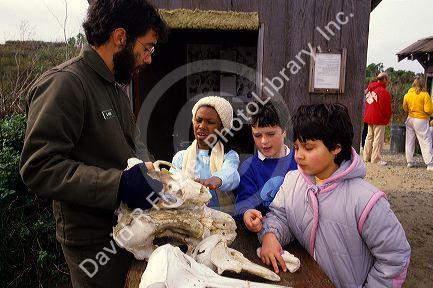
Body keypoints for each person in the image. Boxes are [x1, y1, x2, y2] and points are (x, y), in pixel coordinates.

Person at [19, 1, 168, 287]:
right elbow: (38, 167)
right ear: (121, 37)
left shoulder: (114, 88)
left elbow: (127, 150)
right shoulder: (65, 84)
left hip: (128, 231)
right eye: (147, 47)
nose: (148, 58)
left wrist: (149, 172)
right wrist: (118, 185)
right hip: (94, 245)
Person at [258, 103, 411, 287]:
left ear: (336, 148)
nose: (298, 156)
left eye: (308, 148)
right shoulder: (293, 181)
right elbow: (280, 216)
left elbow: (395, 258)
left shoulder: (367, 201)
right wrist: (270, 235)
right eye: (297, 147)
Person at [234, 102, 297, 232]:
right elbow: (244, 201)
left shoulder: (300, 160)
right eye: (257, 135)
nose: (263, 141)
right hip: (266, 233)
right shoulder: (249, 167)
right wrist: (247, 214)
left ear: (284, 131)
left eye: (270, 134)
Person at [171, 96, 240, 210]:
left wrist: (215, 180)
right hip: (189, 219)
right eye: (198, 120)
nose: (202, 126)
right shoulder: (181, 157)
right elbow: (170, 187)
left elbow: (232, 174)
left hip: (220, 221)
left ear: (222, 128)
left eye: (210, 122)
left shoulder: (229, 156)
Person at [403, 76, 433, 170]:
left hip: (410, 119)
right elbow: (428, 110)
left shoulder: (407, 95)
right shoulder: (425, 95)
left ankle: (410, 161)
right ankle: (430, 163)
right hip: (421, 120)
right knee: (425, 141)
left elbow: (405, 108)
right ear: (422, 84)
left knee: (409, 140)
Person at [363, 72, 392, 165]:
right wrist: (387, 118)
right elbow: (385, 108)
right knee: (378, 139)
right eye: (387, 79)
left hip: (369, 116)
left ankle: (366, 157)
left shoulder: (370, 90)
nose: (388, 81)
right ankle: (376, 159)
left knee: (369, 137)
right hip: (379, 118)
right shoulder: (383, 92)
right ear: (384, 80)